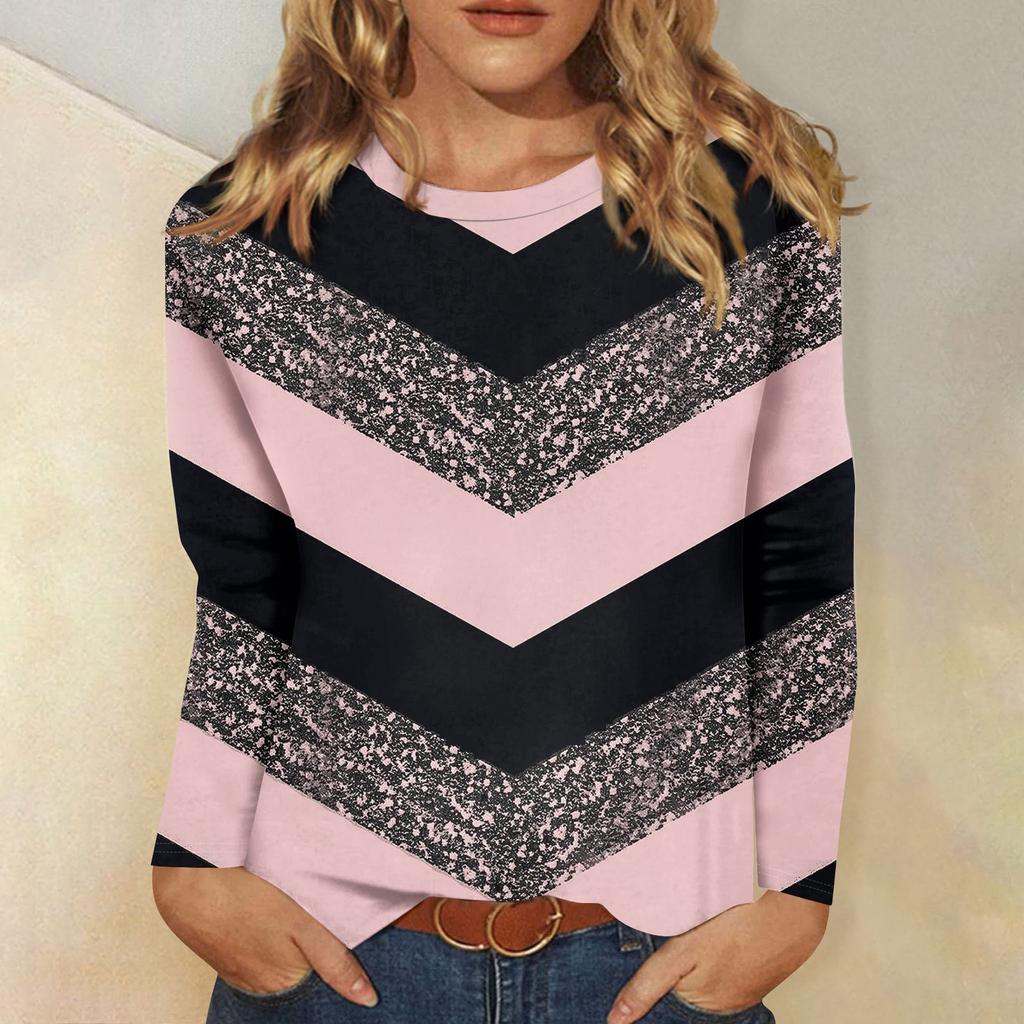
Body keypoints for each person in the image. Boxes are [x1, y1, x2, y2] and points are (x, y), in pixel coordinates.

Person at [150, 1, 867, 1021]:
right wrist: (191, 863)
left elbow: (799, 564)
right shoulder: (246, 231)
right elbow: (240, 581)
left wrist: (800, 891)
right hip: (332, 959)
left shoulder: (741, 213)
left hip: (654, 963)